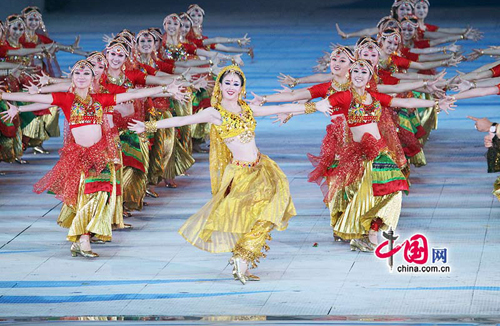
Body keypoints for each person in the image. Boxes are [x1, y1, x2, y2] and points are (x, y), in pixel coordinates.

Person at [128, 65, 332, 283]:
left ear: (242, 87)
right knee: (257, 215)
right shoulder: (214, 113)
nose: (232, 87)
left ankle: (241, 261)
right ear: (220, 86)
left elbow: (279, 108)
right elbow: (180, 121)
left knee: (268, 212)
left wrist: (315, 107)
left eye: (236, 83)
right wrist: (149, 126)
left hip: (262, 168)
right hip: (242, 173)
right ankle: (242, 258)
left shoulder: (247, 109)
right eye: (228, 83)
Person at [1, 60, 184, 258]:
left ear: (92, 78)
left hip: (101, 154)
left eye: (86, 73)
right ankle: (83, 239)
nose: (81, 76)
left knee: (101, 195)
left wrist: (165, 88)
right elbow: (40, 99)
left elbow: (133, 93)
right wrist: (6, 97)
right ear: (72, 78)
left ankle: (83, 237)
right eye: (77, 73)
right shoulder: (66, 98)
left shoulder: (101, 99)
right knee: (86, 196)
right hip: (78, 155)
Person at [308, 59, 456, 252]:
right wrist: (293, 111)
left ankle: (371, 231)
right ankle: (365, 234)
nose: (359, 75)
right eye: (355, 72)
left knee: (394, 190)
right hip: (360, 155)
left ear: (370, 77)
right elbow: (319, 104)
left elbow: (405, 101)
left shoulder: (375, 97)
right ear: (350, 75)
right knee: (367, 196)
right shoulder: (344, 96)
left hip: (380, 152)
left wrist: (435, 103)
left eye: (364, 72)